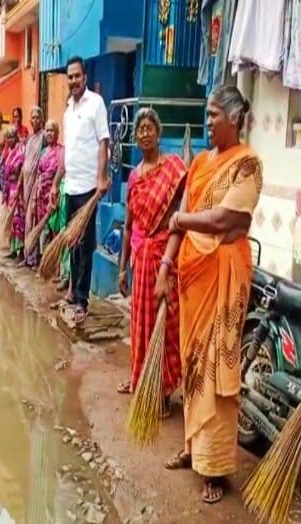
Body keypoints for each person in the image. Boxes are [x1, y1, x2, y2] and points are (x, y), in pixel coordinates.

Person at [163, 86, 262, 504]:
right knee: (191, 361)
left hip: (224, 275)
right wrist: (166, 265)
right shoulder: (201, 162)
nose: (208, 121)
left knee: (218, 368)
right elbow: (177, 223)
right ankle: (192, 447)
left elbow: (225, 218)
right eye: (207, 114)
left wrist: (182, 220)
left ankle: (216, 467)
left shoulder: (248, 164)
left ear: (235, 119)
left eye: (215, 114)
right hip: (191, 277)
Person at [116, 108, 186, 409]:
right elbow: (130, 224)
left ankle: (164, 390)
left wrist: (167, 263)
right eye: (140, 129)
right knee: (140, 324)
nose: (145, 133)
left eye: (149, 128)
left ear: (159, 133)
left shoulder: (173, 170)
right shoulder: (134, 178)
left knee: (166, 323)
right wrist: (122, 269)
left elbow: (181, 213)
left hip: (164, 258)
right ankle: (140, 378)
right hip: (140, 259)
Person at [50, 56, 111, 324]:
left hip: (88, 187)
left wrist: (101, 177)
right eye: (69, 76)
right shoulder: (67, 110)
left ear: (85, 77)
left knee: (85, 245)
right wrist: (55, 183)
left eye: (77, 75)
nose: (73, 80)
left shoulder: (95, 104)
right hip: (70, 187)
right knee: (72, 241)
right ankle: (73, 291)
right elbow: (67, 151)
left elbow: (103, 142)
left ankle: (82, 300)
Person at [34, 119, 64, 265]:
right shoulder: (44, 151)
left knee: (54, 230)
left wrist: (55, 193)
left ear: (57, 133)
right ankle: (44, 261)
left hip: (52, 197)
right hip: (41, 197)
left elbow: (61, 173)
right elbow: (39, 174)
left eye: (52, 130)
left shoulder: (60, 151)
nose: (49, 133)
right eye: (47, 130)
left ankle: (53, 263)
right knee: (43, 230)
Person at [21, 107, 46, 268]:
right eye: (33, 118)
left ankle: (34, 257)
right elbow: (25, 163)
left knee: (33, 220)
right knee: (26, 220)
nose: (35, 120)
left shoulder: (43, 137)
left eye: (38, 117)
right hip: (26, 183)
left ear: (41, 120)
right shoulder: (30, 139)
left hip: (36, 183)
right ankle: (26, 255)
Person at [2, 127, 25, 260]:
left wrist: (19, 189)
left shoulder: (20, 151)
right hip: (9, 189)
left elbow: (20, 170)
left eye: (11, 137)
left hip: (17, 189)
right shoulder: (9, 152)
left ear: (16, 137)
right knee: (10, 221)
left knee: (18, 220)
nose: (9, 140)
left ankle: (21, 251)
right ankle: (13, 249)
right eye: (7, 138)